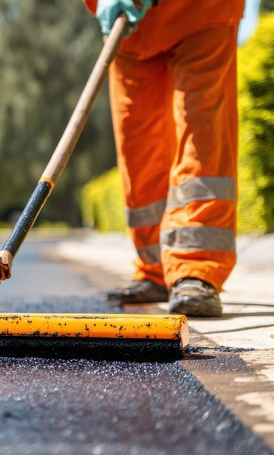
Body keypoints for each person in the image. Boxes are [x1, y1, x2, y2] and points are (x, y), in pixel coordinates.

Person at [83, 0, 246, 317]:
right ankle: (154, 268)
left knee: (202, 137)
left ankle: (195, 271)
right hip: (132, 28)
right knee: (138, 148)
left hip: (202, 12)